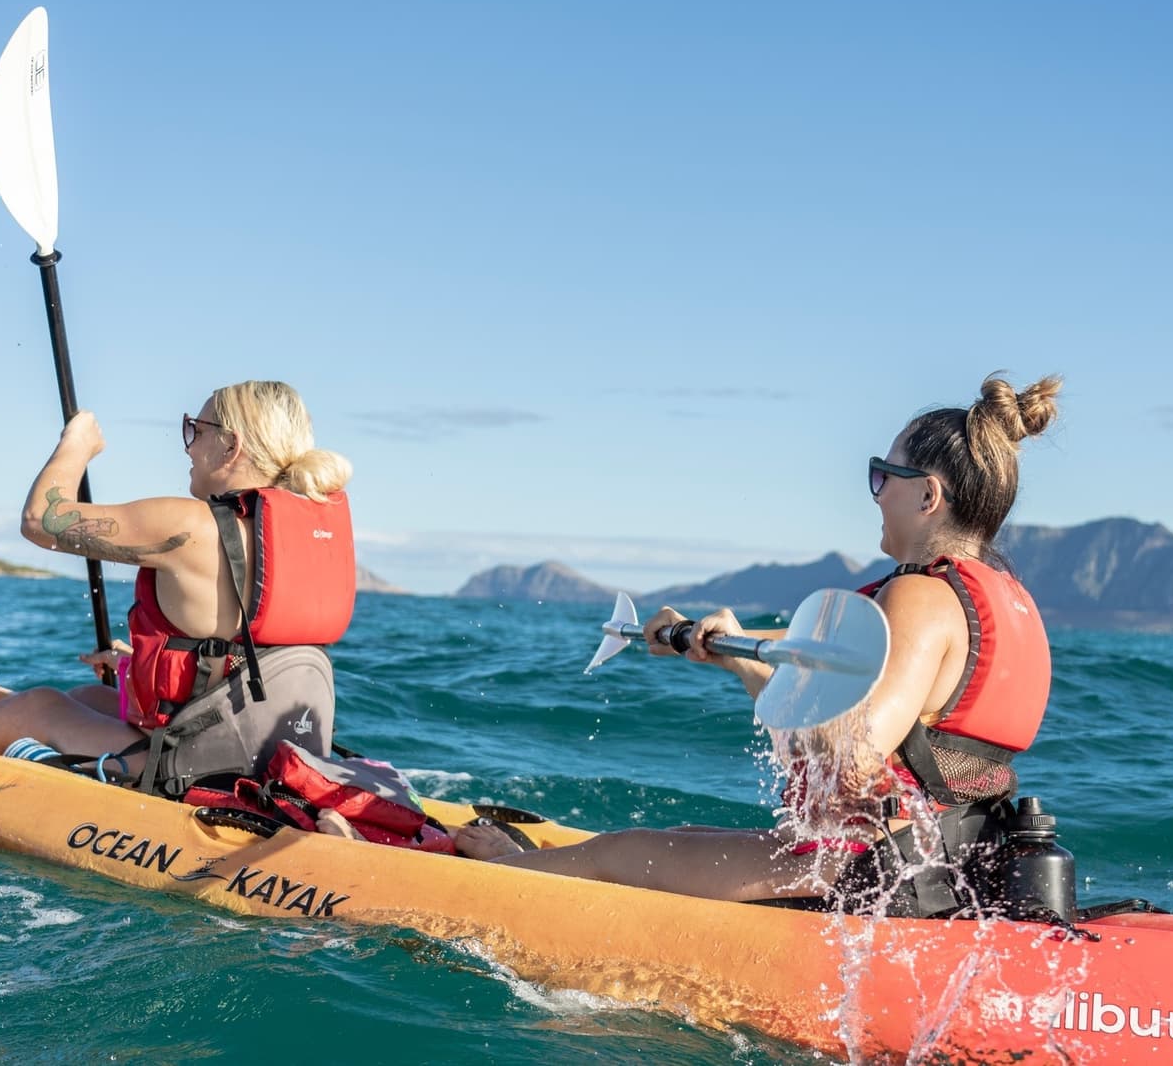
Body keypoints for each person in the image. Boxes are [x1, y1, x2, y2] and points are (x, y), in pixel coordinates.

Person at [454, 373, 1061, 914]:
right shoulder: (1005, 601)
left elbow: (850, 760)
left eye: (883, 476)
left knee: (620, 853)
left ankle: (494, 876)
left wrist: (754, 675)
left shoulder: (918, 598)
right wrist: (717, 639)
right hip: (949, 865)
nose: (876, 493)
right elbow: (812, 654)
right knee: (686, 834)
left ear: (927, 496)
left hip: (870, 874)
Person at [0, 380, 356, 797]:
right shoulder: (310, 532)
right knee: (88, 699)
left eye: (197, 431)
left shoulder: (190, 525)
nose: (188, 446)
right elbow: (244, 653)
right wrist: (134, 670)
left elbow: (41, 521)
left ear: (231, 447)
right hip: (274, 754)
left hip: (198, 767)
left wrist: (75, 446)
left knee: (41, 707)